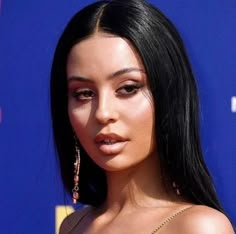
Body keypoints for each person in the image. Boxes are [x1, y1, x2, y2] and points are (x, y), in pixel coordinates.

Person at [50, 0, 234, 233]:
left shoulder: (198, 227)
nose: (103, 112)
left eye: (128, 88)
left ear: (168, 96)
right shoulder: (72, 226)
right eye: (84, 93)